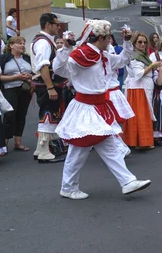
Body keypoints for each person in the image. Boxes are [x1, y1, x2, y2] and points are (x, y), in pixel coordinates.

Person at [52, 20, 151, 200]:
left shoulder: (103, 55)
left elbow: (123, 61)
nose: (111, 42)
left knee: (110, 147)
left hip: (98, 107)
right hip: (84, 109)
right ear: (101, 38)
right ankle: (68, 187)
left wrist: (128, 42)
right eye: (108, 38)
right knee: (78, 150)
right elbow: (59, 69)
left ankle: (127, 181)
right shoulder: (81, 54)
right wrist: (65, 49)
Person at [31, 13, 67, 163]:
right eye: (56, 24)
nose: (59, 27)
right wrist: (50, 87)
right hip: (47, 85)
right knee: (48, 116)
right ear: (48, 25)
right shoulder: (43, 42)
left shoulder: (44, 41)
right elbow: (43, 66)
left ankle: (40, 149)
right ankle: (45, 151)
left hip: (46, 85)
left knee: (47, 115)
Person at [123, 32, 160, 149]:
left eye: (144, 42)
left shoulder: (141, 56)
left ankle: (139, 141)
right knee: (141, 114)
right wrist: (152, 66)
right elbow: (138, 74)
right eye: (139, 42)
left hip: (142, 86)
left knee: (143, 113)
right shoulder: (135, 57)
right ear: (134, 43)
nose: (142, 44)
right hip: (139, 87)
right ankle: (140, 141)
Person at [0, 36, 33, 152]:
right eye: (19, 43)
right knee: (9, 115)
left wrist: (30, 77)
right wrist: (15, 77)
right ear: (11, 45)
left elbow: (33, 71)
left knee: (21, 115)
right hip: (10, 89)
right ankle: (3, 144)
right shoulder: (3, 58)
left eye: (23, 43)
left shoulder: (26, 58)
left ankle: (18, 143)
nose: (22, 45)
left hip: (25, 89)